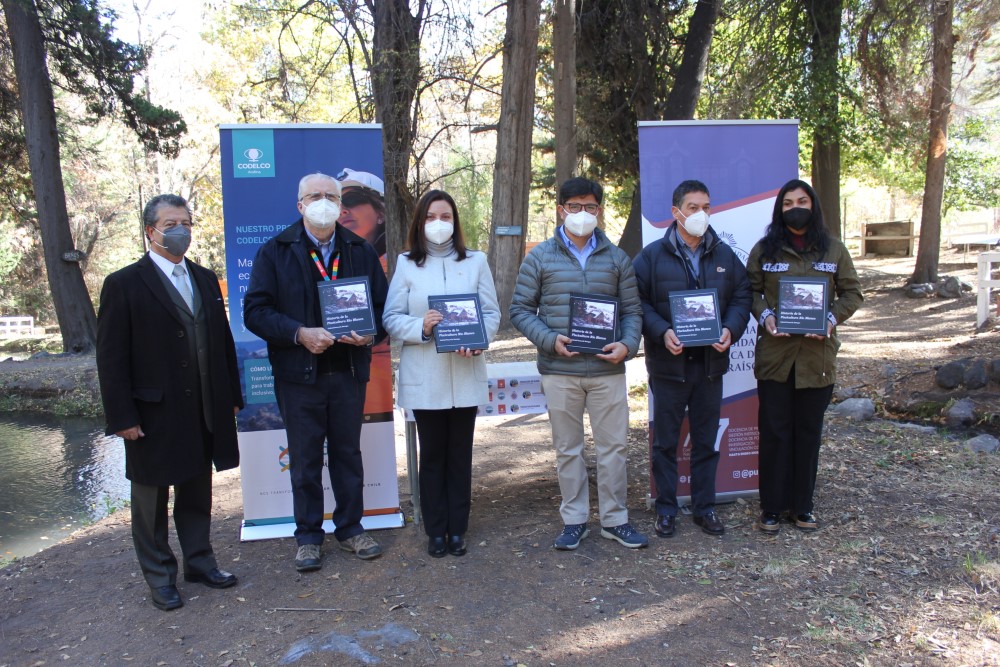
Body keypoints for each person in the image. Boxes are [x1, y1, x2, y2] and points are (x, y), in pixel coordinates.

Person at [96, 194, 243, 611]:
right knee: (150, 501)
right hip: (151, 413)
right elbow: (110, 358)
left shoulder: (203, 277)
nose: (181, 230)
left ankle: (199, 562)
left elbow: (223, 343)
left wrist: (231, 395)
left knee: (197, 491)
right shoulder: (123, 284)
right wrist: (122, 416)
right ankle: (160, 576)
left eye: (185, 222)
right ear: (151, 231)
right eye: (171, 223)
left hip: (203, 408)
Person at [244, 172, 389, 570]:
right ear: (300, 205)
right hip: (299, 375)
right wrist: (298, 333)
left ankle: (351, 528)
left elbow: (382, 308)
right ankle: (308, 536)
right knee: (305, 459)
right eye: (314, 196)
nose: (322, 201)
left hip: (347, 372)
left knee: (347, 454)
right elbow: (255, 312)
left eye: (330, 195)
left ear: (341, 205)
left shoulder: (359, 250)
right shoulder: (274, 251)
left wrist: (370, 334)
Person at [510, 177, 648, 551]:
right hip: (560, 371)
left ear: (599, 211)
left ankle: (615, 519)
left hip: (607, 371)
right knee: (567, 448)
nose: (582, 213)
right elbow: (520, 310)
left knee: (613, 448)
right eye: (574, 206)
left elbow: (633, 312)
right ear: (561, 210)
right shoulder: (540, 257)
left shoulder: (617, 259)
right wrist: (549, 340)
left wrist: (628, 344)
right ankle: (574, 518)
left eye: (589, 206)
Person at [383, 190, 500, 558]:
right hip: (426, 376)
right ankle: (436, 530)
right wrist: (422, 326)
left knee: (460, 454)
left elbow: (491, 313)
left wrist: (480, 340)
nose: (439, 223)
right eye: (431, 216)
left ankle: (457, 529)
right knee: (432, 454)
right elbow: (390, 318)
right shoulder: (406, 264)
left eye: (446, 216)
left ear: (455, 222)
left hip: (465, 373)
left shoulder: (476, 261)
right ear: (420, 222)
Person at [632, 180, 752, 538]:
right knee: (665, 443)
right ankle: (666, 509)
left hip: (710, 368)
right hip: (669, 367)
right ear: (676, 212)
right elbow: (637, 302)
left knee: (705, 442)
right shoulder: (651, 257)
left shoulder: (724, 255)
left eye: (706, 207)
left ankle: (705, 508)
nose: (701, 214)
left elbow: (742, 296)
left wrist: (730, 328)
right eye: (693, 207)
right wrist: (660, 331)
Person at [747, 179, 863, 533]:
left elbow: (852, 294)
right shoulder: (765, 251)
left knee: (808, 433)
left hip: (817, 359)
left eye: (802, 200)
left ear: (813, 206)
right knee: (774, 433)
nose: (795, 206)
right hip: (776, 358)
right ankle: (771, 507)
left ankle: (802, 507)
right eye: (787, 202)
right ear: (779, 210)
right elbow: (750, 291)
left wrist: (830, 319)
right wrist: (765, 316)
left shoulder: (835, 250)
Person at [337, 168, 387, 267]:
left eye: (351, 199)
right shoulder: (331, 264)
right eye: (335, 206)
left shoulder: (404, 260)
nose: (341, 211)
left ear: (381, 212)